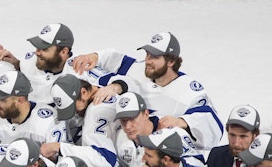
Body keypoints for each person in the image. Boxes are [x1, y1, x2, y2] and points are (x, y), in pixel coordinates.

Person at [73, 31, 223, 151]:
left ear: (171, 62)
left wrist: (182, 121)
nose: (148, 60)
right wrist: (95, 56)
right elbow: (116, 58)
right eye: (147, 54)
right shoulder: (137, 69)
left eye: (155, 57)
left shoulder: (188, 90)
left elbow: (214, 125)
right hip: (126, 142)